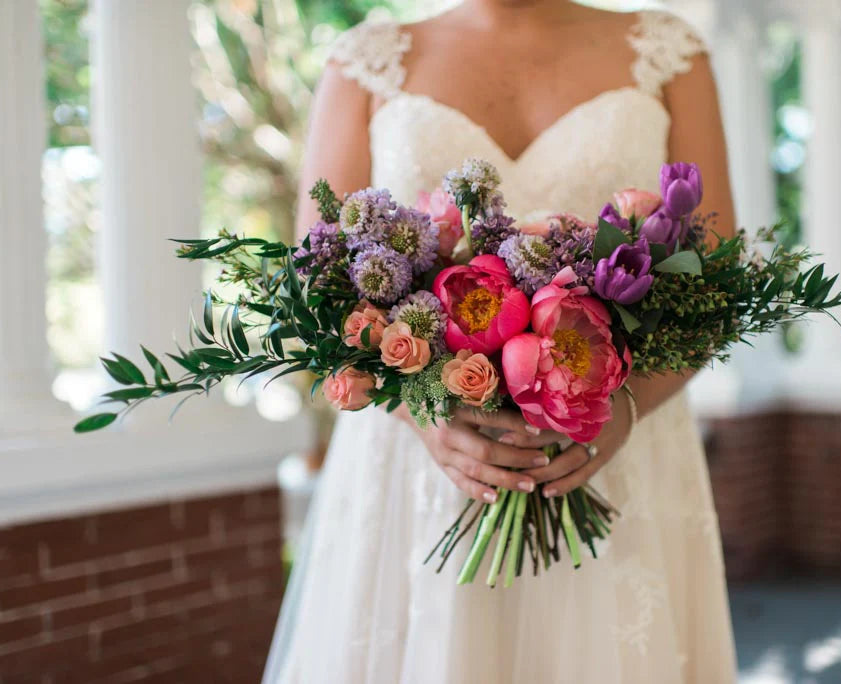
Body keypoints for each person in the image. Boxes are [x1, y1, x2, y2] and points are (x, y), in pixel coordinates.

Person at [265, 2, 738, 682]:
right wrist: (423, 414)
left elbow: (716, 289)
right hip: (424, 467)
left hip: (618, 456)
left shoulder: (670, 54)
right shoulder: (364, 64)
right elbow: (318, 296)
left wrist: (622, 412)